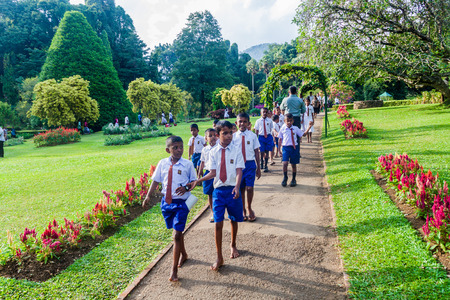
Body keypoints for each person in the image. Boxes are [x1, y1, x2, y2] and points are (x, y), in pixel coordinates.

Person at [142, 135, 197, 282]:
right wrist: (148, 196)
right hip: (167, 204)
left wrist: (186, 187)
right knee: (177, 232)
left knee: (176, 235)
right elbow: (155, 181)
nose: (179, 150)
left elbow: (194, 182)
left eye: (181, 147)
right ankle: (184, 254)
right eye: (175, 148)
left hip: (182, 203)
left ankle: (173, 270)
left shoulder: (188, 164)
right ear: (168, 150)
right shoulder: (162, 164)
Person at [197, 120, 245, 271]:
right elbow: (212, 172)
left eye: (231, 132)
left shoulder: (237, 149)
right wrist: (197, 180)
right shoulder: (212, 152)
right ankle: (219, 256)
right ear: (218, 135)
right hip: (218, 192)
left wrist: (237, 186)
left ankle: (233, 244)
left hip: (232, 190)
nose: (229, 135)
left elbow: (239, 170)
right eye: (225, 133)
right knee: (218, 223)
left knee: (233, 219)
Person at [233, 113, 261, 222]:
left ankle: (249, 207)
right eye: (240, 121)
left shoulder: (252, 135)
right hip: (238, 166)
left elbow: (256, 152)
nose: (242, 124)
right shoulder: (234, 137)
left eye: (245, 121)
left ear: (249, 123)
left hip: (249, 165)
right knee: (241, 189)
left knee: (249, 188)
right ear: (236, 123)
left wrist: (258, 167)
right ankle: (243, 209)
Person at [278, 113, 313, 187]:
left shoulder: (295, 128)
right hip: (285, 148)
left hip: (294, 148)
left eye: (290, 121)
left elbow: (303, 134)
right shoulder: (283, 128)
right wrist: (278, 150)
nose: (289, 122)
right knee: (285, 163)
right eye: (287, 121)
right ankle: (285, 178)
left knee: (293, 164)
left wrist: (309, 127)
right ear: (284, 121)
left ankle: (293, 179)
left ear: (293, 121)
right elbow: (280, 139)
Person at [198, 128, 218, 222]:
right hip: (208, 172)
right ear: (206, 138)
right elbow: (202, 162)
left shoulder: (219, 148)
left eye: (215, 135)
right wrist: (199, 174)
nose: (213, 137)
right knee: (210, 194)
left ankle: (220, 211)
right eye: (210, 136)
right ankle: (213, 213)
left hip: (218, 173)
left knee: (218, 193)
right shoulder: (205, 149)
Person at [254, 107, 273, 173]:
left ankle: (266, 165)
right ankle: (261, 162)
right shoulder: (258, 121)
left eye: (266, 112)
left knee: (267, 151)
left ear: (267, 113)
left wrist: (271, 137)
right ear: (261, 113)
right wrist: (255, 139)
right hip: (261, 137)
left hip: (268, 137)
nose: (264, 113)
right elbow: (256, 130)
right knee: (261, 151)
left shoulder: (270, 120)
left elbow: (271, 129)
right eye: (263, 112)